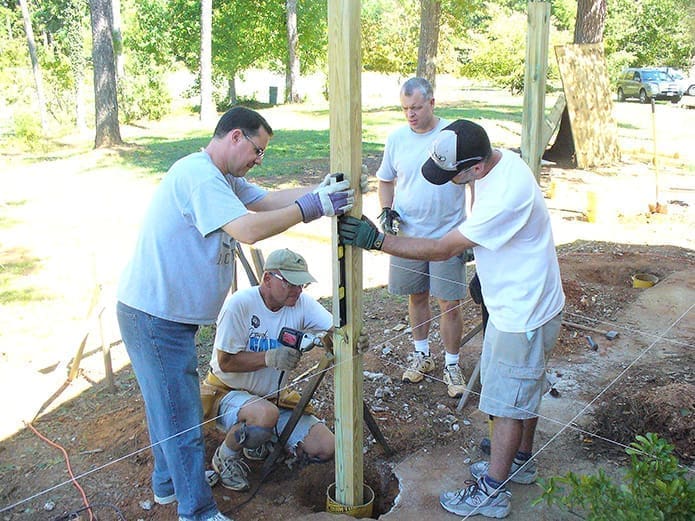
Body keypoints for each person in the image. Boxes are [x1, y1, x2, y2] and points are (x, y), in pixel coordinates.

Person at [116, 106, 356, 521]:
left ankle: (167, 485)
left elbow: (265, 201)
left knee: (167, 408)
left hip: (164, 317)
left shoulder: (224, 179)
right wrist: (314, 207)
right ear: (235, 137)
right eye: (257, 150)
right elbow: (248, 229)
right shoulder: (200, 176)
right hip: (154, 318)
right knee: (182, 417)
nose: (257, 160)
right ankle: (198, 511)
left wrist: (318, 190)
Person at [338, 119, 565, 518]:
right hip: (519, 301)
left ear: (474, 167)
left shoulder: (505, 192)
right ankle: (520, 461)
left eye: (452, 175)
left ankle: (493, 493)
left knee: (507, 401)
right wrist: (485, 270)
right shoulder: (500, 165)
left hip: (522, 313)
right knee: (519, 390)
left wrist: (378, 241)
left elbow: (444, 249)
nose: (449, 181)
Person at [203, 248, 336, 492]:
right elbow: (226, 362)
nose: (297, 290)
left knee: (326, 447)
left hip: (273, 399)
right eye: (291, 284)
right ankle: (225, 458)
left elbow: (333, 329)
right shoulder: (240, 305)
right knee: (264, 415)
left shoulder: (300, 303)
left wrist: (347, 337)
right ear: (267, 279)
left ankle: (257, 442)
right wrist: (269, 357)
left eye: (302, 284)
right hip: (228, 393)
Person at [375, 77, 468, 399]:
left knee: (450, 304)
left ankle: (453, 364)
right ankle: (421, 354)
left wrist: (473, 231)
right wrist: (387, 210)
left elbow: (474, 182)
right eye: (404, 109)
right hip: (408, 236)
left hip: (448, 234)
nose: (410, 114)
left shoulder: (453, 135)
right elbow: (385, 180)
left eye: (415, 107)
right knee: (416, 296)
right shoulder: (397, 139)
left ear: (431, 102)